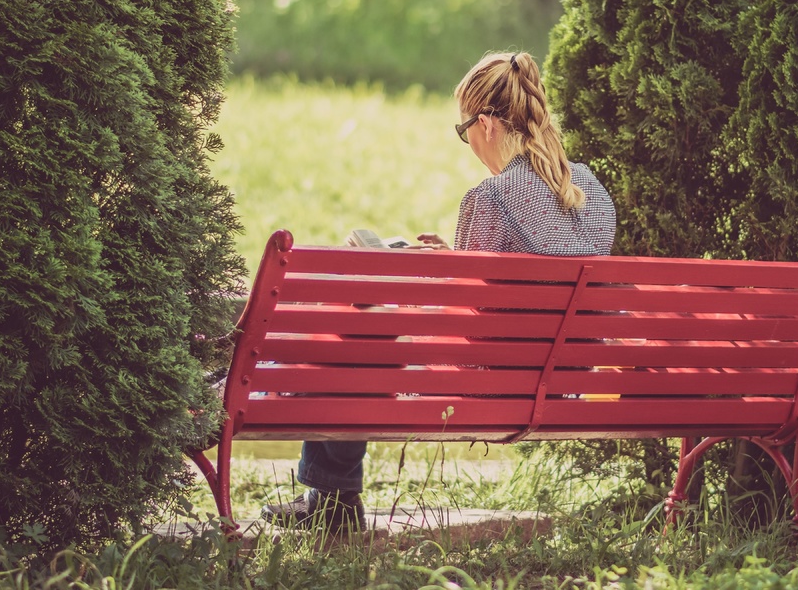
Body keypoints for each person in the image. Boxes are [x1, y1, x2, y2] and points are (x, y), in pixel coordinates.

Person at [259, 51, 616, 534]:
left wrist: (410, 284)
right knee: (366, 326)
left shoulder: (490, 198)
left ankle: (330, 499)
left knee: (361, 332)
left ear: (486, 124)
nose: (466, 140)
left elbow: (466, 318)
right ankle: (327, 497)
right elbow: (527, 284)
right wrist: (455, 259)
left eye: (463, 128)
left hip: (489, 387)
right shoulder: (592, 191)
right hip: (560, 380)